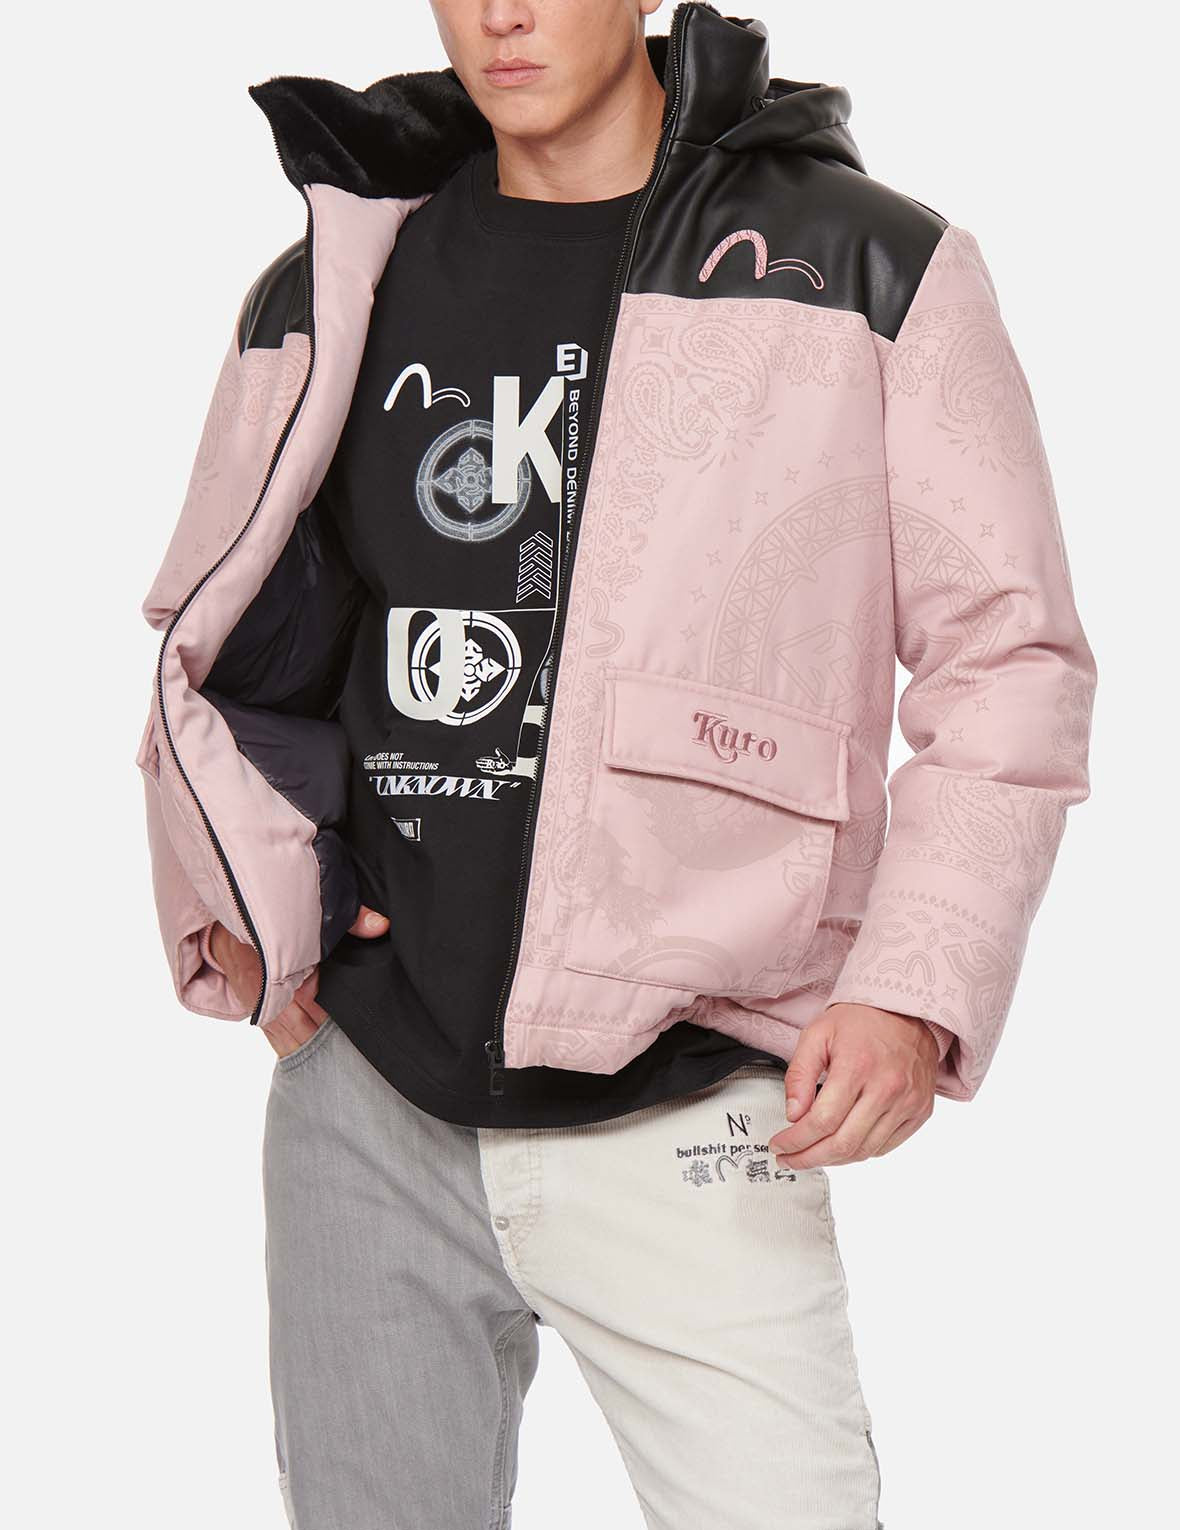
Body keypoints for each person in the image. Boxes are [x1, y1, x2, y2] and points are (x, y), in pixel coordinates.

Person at [134, 1, 1096, 1524]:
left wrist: (915, 987)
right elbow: (237, 639)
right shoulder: (331, 278)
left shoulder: (869, 269)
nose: (502, 13)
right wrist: (261, 902)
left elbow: (1009, 662)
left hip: (697, 1098)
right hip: (369, 1101)